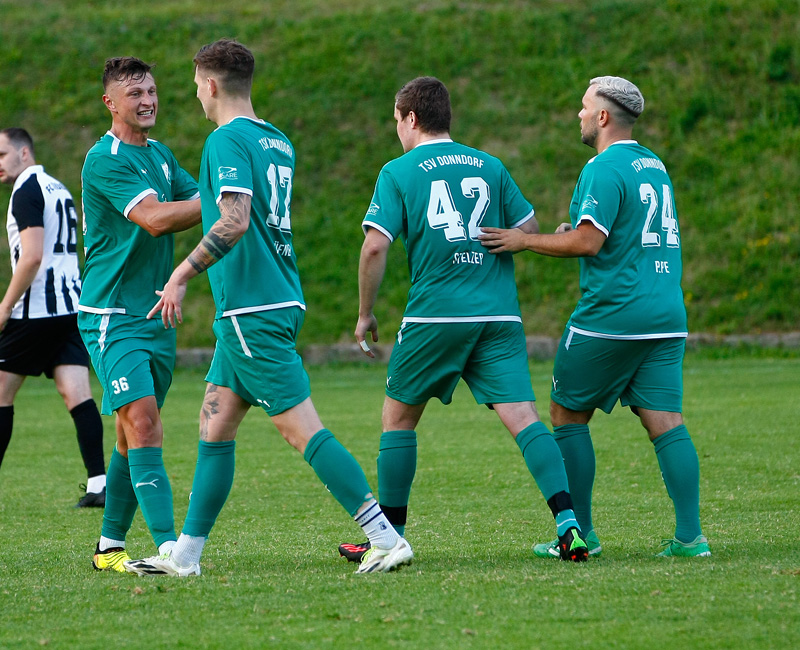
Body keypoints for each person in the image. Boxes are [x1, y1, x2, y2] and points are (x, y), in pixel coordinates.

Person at [126, 38, 411, 578]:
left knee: (301, 428)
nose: (195, 95)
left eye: (194, 86)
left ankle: (383, 535)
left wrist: (181, 275)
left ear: (210, 85)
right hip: (271, 299)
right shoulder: (277, 140)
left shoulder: (225, 141)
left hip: (252, 309)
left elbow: (233, 221)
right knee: (215, 426)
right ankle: (185, 555)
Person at [335, 76, 588, 565]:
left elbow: (374, 245)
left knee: (398, 418)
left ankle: (390, 539)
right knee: (523, 418)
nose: (397, 131)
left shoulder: (398, 170)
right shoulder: (488, 165)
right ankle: (569, 525)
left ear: (410, 119)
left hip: (435, 315)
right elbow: (528, 228)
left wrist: (366, 313)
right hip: (498, 315)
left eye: (396, 121)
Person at [479, 76, 710, 558]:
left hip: (614, 314)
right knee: (666, 421)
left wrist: (525, 240)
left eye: (584, 108)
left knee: (566, 412)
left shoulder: (602, 168)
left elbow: (589, 241)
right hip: (666, 312)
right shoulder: (654, 164)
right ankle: (691, 538)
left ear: (603, 117)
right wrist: (570, 232)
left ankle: (580, 534)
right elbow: (613, 233)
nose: (579, 115)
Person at [77, 57, 203, 573]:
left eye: (151, 90)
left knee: (132, 431)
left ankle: (108, 546)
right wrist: (228, 199)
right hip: (111, 314)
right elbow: (155, 219)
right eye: (135, 94)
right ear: (110, 103)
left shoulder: (162, 156)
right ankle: (171, 547)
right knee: (145, 423)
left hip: (155, 315)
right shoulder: (103, 160)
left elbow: (198, 198)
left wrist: (232, 191)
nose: (147, 100)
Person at [0, 128, 106, 511]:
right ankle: (100, 483)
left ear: (24, 152)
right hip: (70, 307)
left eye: (0, 154)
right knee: (76, 393)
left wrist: (5, 305)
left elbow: (31, 256)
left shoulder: (26, 191)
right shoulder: (57, 187)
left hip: (35, 311)